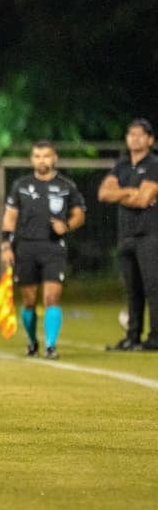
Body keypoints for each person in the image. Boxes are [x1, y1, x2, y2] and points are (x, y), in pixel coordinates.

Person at [0, 140, 86, 360]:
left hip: (53, 248)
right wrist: (6, 245)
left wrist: (66, 226)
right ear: (32, 159)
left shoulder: (66, 186)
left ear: (54, 158)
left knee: (51, 297)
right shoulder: (21, 185)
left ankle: (50, 346)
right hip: (25, 247)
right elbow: (10, 217)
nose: (42, 160)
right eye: (37, 156)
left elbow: (79, 214)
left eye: (46, 156)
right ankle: (32, 342)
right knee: (29, 300)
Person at [98, 118, 158, 351]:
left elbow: (144, 199)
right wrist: (130, 192)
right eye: (131, 134)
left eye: (140, 134)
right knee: (132, 290)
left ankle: (155, 338)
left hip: (150, 235)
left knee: (153, 288)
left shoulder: (154, 164)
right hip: (126, 234)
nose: (135, 138)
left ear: (150, 140)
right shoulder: (122, 165)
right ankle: (132, 336)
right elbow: (103, 193)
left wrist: (120, 193)